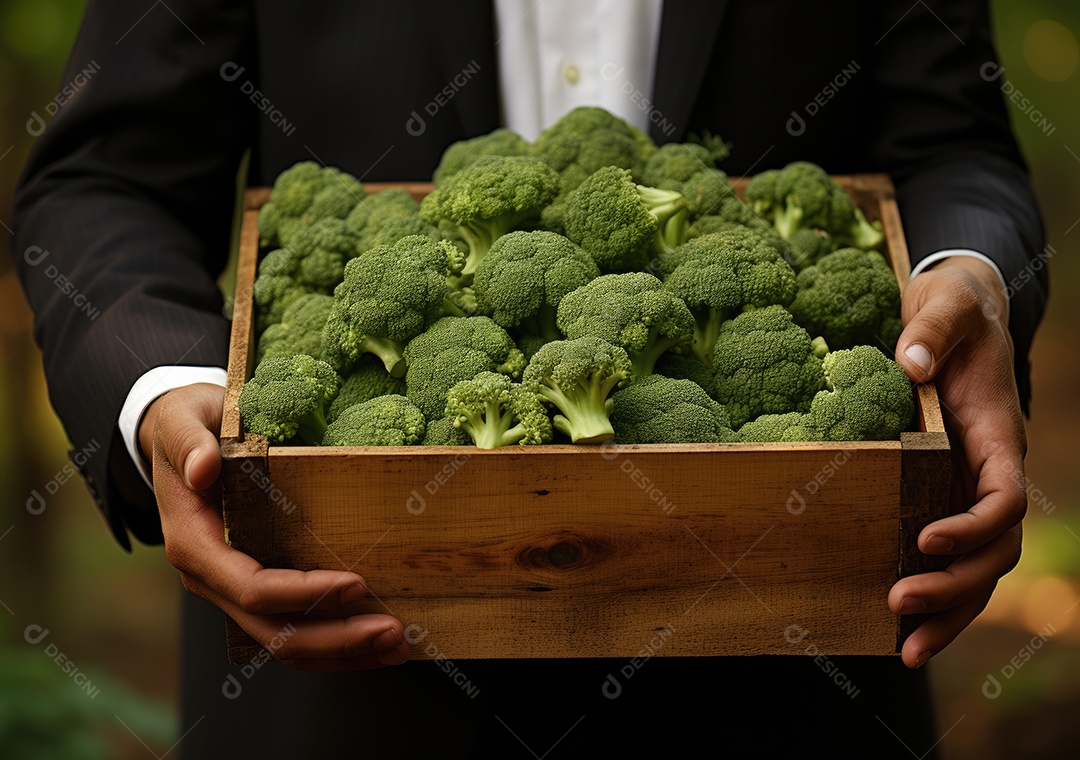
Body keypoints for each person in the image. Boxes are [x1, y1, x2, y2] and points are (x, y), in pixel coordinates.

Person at [13, 0, 1043, 756]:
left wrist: (970, 274)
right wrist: (159, 388)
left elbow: (957, 144)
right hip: (342, 672)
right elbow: (108, 178)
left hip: (791, 668)